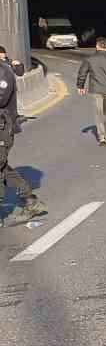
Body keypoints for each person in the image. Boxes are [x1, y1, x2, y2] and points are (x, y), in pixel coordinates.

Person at [0, 48, 44, 222]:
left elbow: (1, 99)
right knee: (2, 166)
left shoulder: (3, 71)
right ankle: (30, 200)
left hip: (2, 127)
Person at [75, 37, 106, 147]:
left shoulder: (89, 60)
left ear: (97, 46)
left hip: (96, 90)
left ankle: (101, 137)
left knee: (99, 114)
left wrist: (80, 86)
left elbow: (82, 73)